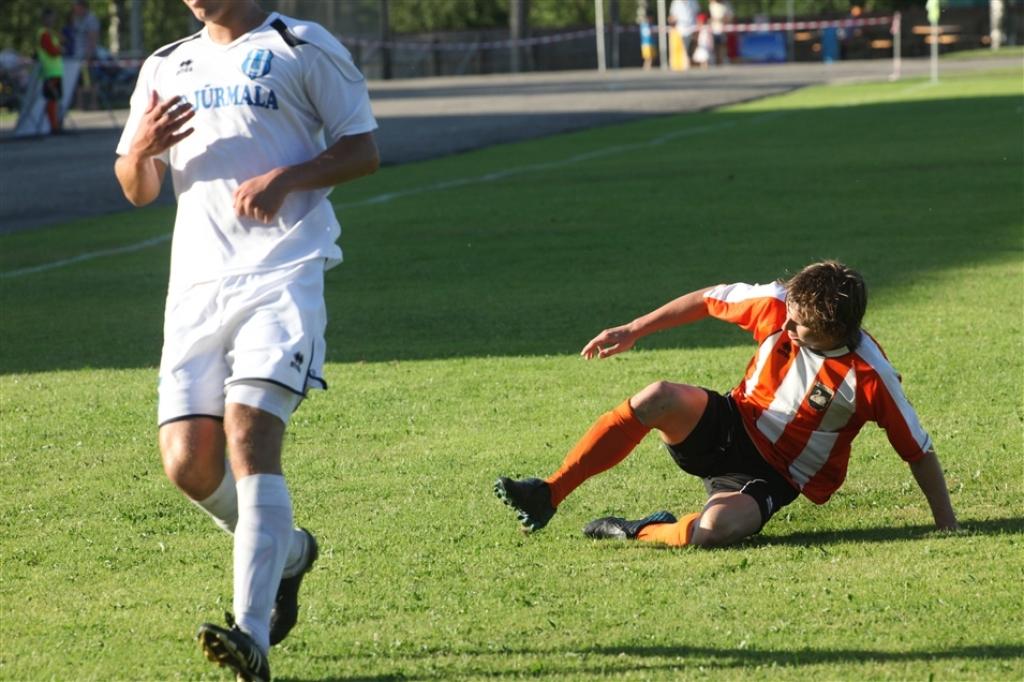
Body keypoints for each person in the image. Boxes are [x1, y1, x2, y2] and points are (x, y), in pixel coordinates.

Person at [113, 1, 379, 680]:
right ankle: (288, 553)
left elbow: (362, 148)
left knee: (249, 434)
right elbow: (137, 187)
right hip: (196, 290)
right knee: (188, 464)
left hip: (283, 274)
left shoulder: (301, 45)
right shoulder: (167, 63)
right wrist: (140, 150)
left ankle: (251, 634)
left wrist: (288, 178)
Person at [495, 261, 959, 549]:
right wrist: (635, 329)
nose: (788, 328)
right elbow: (707, 299)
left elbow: (918, 451)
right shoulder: (780, 304)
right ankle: (548, 492)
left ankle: (636, 530)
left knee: (716, 530)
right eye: (789, 318)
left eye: (799, 328)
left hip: (774, 475)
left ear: (835, 332)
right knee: (658, 395)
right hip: (731, 423)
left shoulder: (869, 375)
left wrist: (947, 527)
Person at [36, 8, 64, 134]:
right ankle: (54, 126)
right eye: (50, 17)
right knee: (52, 99)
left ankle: (55, 124)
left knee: (54, 99)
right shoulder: (44, 34)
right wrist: (60, 48)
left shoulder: (50, 33)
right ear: (44, 19)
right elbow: (52, 51)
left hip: (55, 72)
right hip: (50, 72)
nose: (52, 20)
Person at [70, 0, 100, 110]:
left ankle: (93, 104)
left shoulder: (91, 19)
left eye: (76, 6)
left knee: (92, 81)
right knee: (79, 82)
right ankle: (80, 105)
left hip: (88, 56)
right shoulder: (76, 19)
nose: (74, 9)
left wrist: (88, 55)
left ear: (82, 6)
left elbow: (93, 38)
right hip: (77, 56)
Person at [667, 0, 699, 70]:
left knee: (691, 48)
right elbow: (672, 16)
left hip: (692, 28)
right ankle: (684, 64)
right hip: (680, 29)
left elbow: (697, 14)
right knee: (683, 47)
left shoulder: (693, 1)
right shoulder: (675, 3)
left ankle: (689, 63)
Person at [708, 0, 734, 66]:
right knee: (715, 46)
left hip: (723, 29)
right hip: (714, 29)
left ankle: (724, 59)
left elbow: (730, 17)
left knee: (723, 45)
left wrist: (722, 19)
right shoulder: (712, 5)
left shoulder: (726, 5)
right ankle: (716, 60)